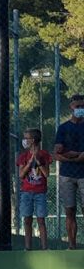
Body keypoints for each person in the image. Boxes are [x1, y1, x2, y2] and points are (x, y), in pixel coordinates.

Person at [54, 93, 84, 249]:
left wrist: (73, 154)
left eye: (83, 106)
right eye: (78, 106)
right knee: (69, 211)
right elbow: (57, 153)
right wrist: (75, 157)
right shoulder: (63, 128)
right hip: (66, 175)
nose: (80, 109)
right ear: (71, 107)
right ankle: (72, 246)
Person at [16, 128, 52, 250]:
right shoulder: (23, 156)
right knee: (27, 220)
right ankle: (28, 247)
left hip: (40, 193)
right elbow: (21, 175)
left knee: (41, 220)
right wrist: (29, 162)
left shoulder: (44, 155)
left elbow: (46, 174)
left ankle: (44, 248)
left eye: (26, 138)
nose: (24, 141)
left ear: (33, 140)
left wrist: (38, 162)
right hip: (26, 192)